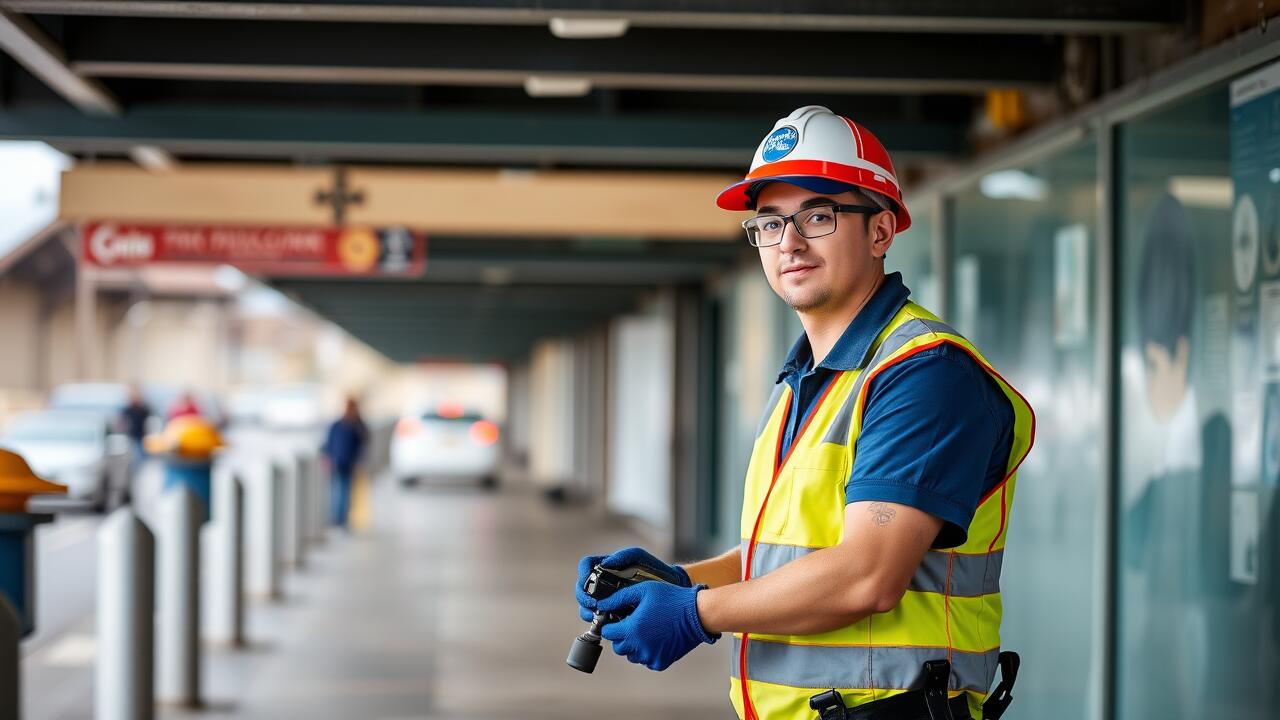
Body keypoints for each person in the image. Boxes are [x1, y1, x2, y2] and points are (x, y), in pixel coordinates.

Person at [575, 106, 1034, 720]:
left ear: (880, 232)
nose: (788, 241)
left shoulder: (925, 374)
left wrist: (698, 613)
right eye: (769, 222)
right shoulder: (806, 381)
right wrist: (682, 581)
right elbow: (789, 558)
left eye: (818, 215)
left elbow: (866, 574)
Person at [322, 396, 367, 528]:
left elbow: (361, 443)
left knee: (341, 490)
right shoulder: (346, 425)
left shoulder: (354, 425)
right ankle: (339, 518)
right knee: (341, 490)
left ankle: (339, 518)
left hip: (345, 463)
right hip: (341, 463)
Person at [118, 384, 152, 465]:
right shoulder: (127, 409)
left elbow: (151, 420)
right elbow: (121, 423)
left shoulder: (144, 409)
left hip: (142, 438)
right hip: (131, 438)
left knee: (141, 461)